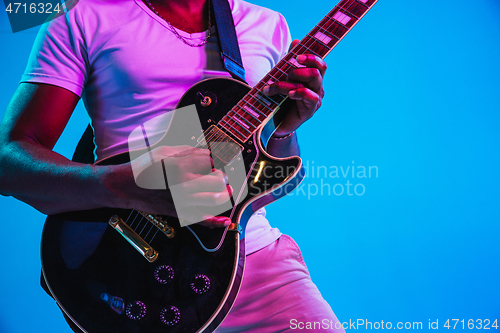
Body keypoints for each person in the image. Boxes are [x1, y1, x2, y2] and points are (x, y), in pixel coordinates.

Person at [0, 0, 344, 331]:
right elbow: (8, 161)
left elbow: (263, 184)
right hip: (129, 265)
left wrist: (285, 126)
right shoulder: (80, 13)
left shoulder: (268, 25)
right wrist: (127, 187)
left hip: (250, 258)